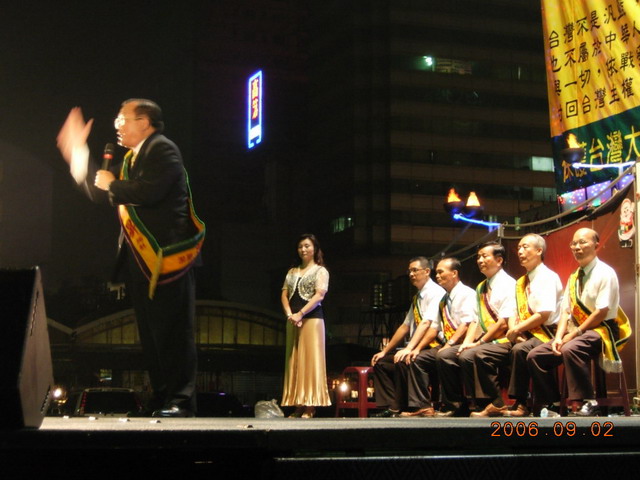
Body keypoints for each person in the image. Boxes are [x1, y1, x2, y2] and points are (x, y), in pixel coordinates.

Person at [56, 99, 205, 417]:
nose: (118, 126)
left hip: (168, 260)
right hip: (141, 261)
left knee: (173, 333)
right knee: (151, 336)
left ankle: (181, 400)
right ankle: (162, 397)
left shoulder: (163, 149)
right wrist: (77, 153)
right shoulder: (130, 160)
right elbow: (103, 192)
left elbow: (150, 191)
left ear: (145, 122)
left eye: (122, 119)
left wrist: (114, 184)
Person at [527, 228, 631, 417]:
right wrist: (558, 338)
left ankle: (589, 401)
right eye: (574, 243)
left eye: (582, 242)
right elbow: (565, 311)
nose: (577, 247)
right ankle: (553, 403)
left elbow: (601, 312)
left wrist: (573, 334)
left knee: (571, 348)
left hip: (603, 330)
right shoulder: (574, 277)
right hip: (577, 331)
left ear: (596, 245)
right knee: (536, 355)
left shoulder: (605, 273)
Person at [441, 241, 515, 417]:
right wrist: (466, 343)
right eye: (479, 257)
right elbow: (474, 320)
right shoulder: (481, 286)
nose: (480, 260)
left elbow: (503, 323)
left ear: (499, 260)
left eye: (484, 256)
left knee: (472, 354)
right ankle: (459, 405)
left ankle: (494, 402)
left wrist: (479, 343)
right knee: (446, 355)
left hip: (504, 339)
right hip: (486, 340)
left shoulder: (509, 284)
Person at [370, 257, 445, 417]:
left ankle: (415, 406)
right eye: (409, 271)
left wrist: (410, 348)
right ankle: (392, 406)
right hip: (418, 345)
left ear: (427, 271)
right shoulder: (417, 297)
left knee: (405, 359)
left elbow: (426, 323)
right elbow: (405, 326)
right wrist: (385, 351)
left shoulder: (436, 293)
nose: (411, 274)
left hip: (433, 344)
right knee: (381, 363)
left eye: (415, 270)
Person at [503, 234, 562, 417]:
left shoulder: (548, 277)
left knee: (520, 350)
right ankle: (496, 402)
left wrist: (517, 330)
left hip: (547, 333)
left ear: (539, 251)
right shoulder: (521, 282)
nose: (520, 251)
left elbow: (543, 314)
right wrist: (514, 331)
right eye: (519, 248)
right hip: (526, 333)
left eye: (525, 247)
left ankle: (534, 403)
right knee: (502, 349)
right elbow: (513, 311)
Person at [417, 257, 476, 417]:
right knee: (418, 359)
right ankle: (422, 406)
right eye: (436, 273)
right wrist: (416, 348)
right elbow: (435, 327)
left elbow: (466, 324)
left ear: (454, 273)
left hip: (465, 342)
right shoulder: (444, 299)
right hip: (449, 343)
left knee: (444, 355)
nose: (437, 276)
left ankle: (455, 405)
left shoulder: (467, 294)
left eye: (441, 272)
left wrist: (449, 344)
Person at [281, 234, 331, 418]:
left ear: (315, 248)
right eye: (300, 246)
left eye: (307, 246)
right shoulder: (292, 271)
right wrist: (290, 315)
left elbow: (319, 295)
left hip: (312, 320)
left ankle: (311, 405)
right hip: (293, 320)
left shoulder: (320, 271)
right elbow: (284, 295)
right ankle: (298, 404)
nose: (303, 249)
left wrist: (301, 313)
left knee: (311, 361)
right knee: (294, 361)